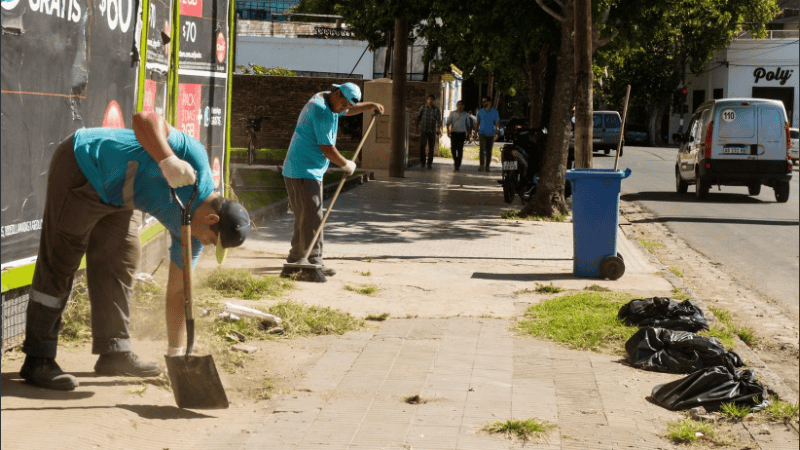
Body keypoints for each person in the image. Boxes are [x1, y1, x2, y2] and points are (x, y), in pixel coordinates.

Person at [20, 112, 251, 391]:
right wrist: (167, 159)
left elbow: (179, 293)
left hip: (120, 196)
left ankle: (114, 352)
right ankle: (38, 358)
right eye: (214, 241)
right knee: (60, 260)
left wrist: (175, 354)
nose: (209, 246)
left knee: (122, 260)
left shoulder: (193, 236)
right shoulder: (196, 158)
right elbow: (144, 119)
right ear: (212, 220)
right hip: (86, 163)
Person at [280, 83, 384, 279]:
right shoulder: (322, 111)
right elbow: (327, 149)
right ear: (337, 94)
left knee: (304, 217)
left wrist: (369, 106)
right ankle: (313, 262)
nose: (344, 109)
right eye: (343, 104)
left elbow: (348, 110)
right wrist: (346, 164)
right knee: (313, 217)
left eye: (348, 106)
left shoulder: (326, 99)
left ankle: (295, 260)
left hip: (299, 169)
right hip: (304, 170)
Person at [475, 96, 500, 172]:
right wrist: (475, 132)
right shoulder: (480, 111)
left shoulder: (494, 112)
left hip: (491, 134)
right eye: (483, 101)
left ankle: (487, 166)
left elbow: (497, 123)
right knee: (482, 150)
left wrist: (496, 132)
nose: (483, 103)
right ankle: (481, 165)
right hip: (482, 133)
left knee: (489, 151)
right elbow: (477, 122)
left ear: (489, 102)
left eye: (485, 101)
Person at [417, 94, 442, 169]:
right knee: (422, 146)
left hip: (432, 131)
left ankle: (429, 163)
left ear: (434, 101)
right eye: (429, 99)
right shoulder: (423, 108)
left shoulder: (436, 109)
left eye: (432, 99)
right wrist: (417, 127)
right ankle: (423, 162)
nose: (430, 101)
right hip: (423, 130)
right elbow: (418, 117)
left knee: (431, 148)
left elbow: (439, 120)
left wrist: (438, 129)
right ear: (427, 100)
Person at [446, 100, 470, 171]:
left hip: (462, 134)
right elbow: (448, 123)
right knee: (453, 149)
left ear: (463, 106)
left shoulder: (465, 114)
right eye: (459, 104)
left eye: (461, 105)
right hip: (454, 133)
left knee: (460, 149)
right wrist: (448, 131)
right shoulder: (452, 113)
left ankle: (457, 165)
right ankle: (455, 160)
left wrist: (468, 134)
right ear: (456, 105)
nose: (460, 106)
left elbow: (468, 125)